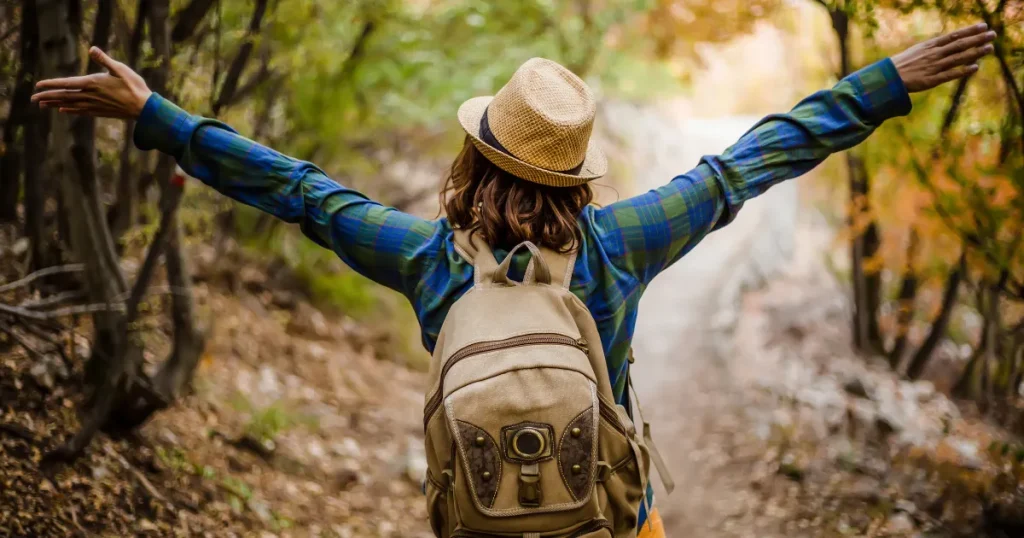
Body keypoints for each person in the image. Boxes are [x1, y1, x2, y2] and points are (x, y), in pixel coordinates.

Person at [32, 23, 995, 537]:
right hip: (613, 518)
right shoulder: (621, 244)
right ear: (576, 173)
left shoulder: (424, 257)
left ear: (475, 151)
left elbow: (300, 193)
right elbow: (749, 162)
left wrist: (157, 114)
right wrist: (885, 83)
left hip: (485, 516)